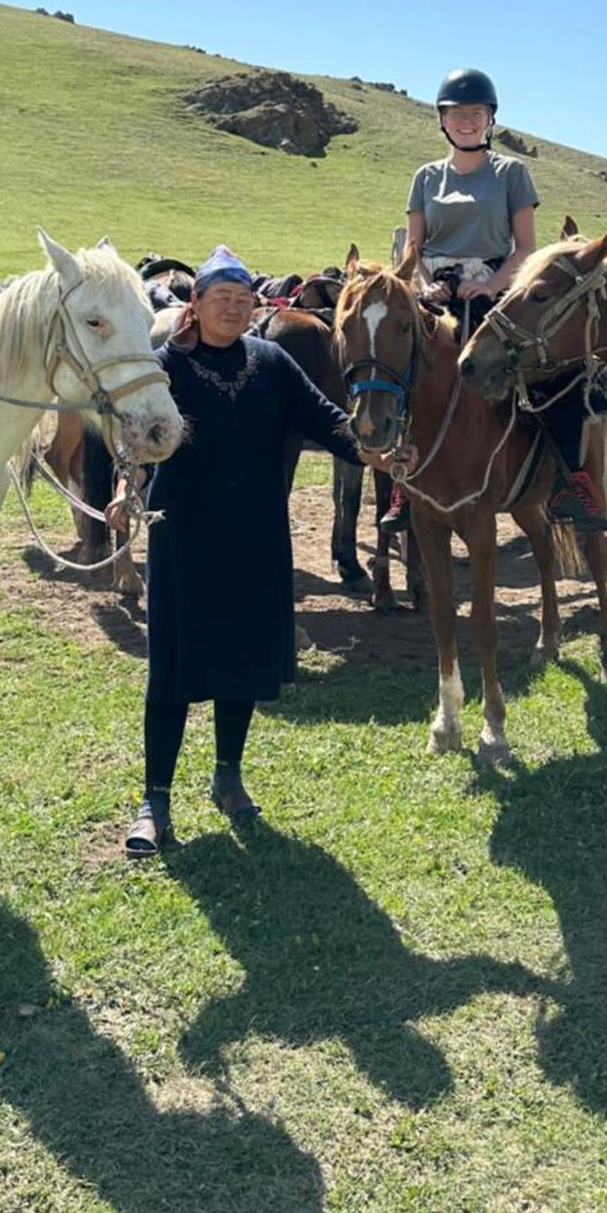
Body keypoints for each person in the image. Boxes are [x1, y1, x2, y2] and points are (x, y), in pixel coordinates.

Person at [123, 245, 390, 857]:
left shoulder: (270, 361)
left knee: (241, 657)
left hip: (256, 530)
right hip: (183, 535)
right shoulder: (166, 364)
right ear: (196, 303)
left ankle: (227, 779)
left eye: (244, 301)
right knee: (174, 667)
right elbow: (135, 438)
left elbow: (323, 417)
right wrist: (124, 490)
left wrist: (369, 448)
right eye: (222, 299)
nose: (234, 310)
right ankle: (154, 802)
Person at [401, 67, 607, 531]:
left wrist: (491, 287)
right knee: (397, 369)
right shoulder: (425, 178)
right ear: (442, 120)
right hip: (436, 291)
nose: (466, 121)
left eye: (476, 113)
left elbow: (526, 248)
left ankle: (571, 481)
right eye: (456, 113)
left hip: (496, 288)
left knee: (553, 372)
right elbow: (412, 249)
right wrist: (428, 283)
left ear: (490, 119)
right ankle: (401, 480)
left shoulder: (511, 172)